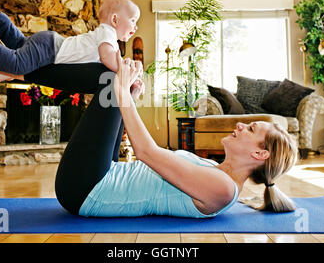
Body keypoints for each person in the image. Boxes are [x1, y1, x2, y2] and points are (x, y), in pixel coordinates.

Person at [21, 54, 299, 217]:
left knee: (110, 74)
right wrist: (128, 95)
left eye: (250, 129)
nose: (240, 126)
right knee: (115, 77)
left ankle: (15, 69)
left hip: (86, 190)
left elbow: (147, 152)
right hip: (103, 174)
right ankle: (16, 68)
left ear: (260, 154)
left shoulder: (223, 190)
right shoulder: (218, 174)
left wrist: (121, 93)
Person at [0, 0, 140, 82]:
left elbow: (113, 56)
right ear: (115, 19)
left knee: (19, 44)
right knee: (16, 64)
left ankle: (0, 21)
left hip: (49, 43)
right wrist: (121, 70)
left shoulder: (107, 36)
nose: (135, 27)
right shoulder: (108, 33)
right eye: (133, 21)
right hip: (50, 50)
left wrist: (128, 68)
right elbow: (107, 57)